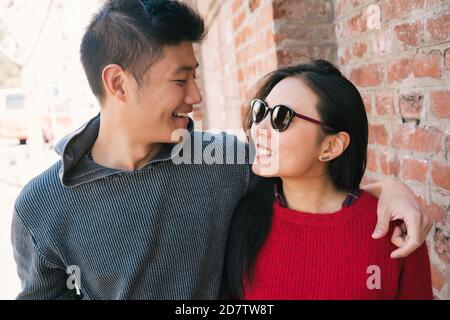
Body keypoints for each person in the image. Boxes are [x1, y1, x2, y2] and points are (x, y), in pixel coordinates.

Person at [12, 0, 430, 300]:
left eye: (196, 77)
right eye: (180, 80)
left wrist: (389, 188)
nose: (195, 96)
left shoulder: (222, 161)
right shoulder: (41, 206)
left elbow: (310, 178)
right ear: (118, 83)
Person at [221, 60, 433, 300]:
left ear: (332, 146)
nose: (258, 128)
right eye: (260, 111)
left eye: (281, 117)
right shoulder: (241, 220)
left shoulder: (395, 230)